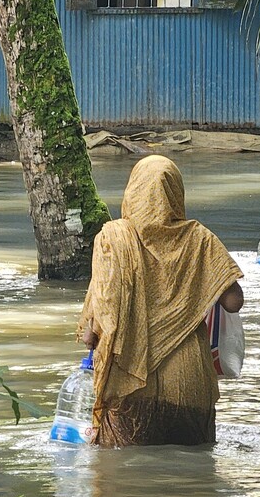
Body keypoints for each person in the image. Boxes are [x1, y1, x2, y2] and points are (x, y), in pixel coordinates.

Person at [77, 155, 244, 447]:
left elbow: (97, 327)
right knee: (195, 481)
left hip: (130, 387)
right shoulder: (199, 239)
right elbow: (233, 302)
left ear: (132, 192)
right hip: (190, 384)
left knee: (123, 484)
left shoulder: (113, 238)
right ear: (177, 193)